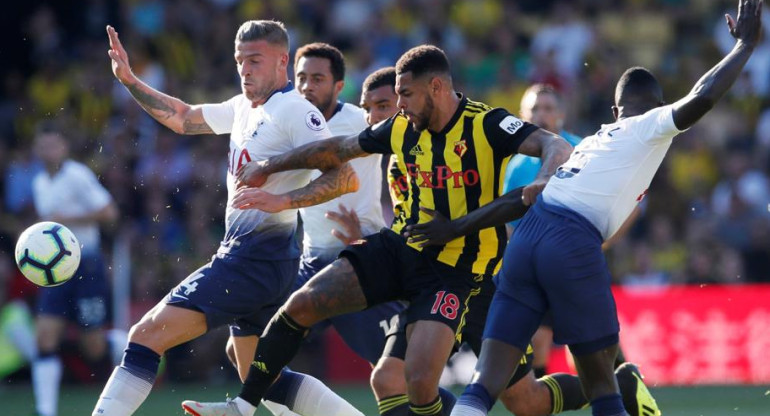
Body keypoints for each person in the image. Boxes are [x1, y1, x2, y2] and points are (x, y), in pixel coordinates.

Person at [188, 44, 573, 416]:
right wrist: (269, 166)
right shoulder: (401, 129)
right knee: (306, 309)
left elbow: (554, 145)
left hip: (461, 271)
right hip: (402, 250)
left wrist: (541, 180)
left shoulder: (485, 123)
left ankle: (610, 386)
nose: (399, 104)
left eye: (405, 94)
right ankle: (242, 407)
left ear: (436, 88)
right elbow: (337, 150)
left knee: (517, 400)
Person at [449, 1, 763, 415]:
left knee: (485, 380)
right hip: (571, 238)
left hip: (527, 235)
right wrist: (743, 46)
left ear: (615, 110)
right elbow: (701, 98)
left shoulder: (597, 137)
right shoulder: (646, 127)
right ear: (654, 108)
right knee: (605, 386)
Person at [94, 20, 361, 416]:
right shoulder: (242, 108)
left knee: (146, 335)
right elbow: (183, 118)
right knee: (257, 371)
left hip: (254, 260)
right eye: (240, 61)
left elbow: (344, 176)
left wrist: (284, 201)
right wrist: (131, 81)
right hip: (261, 260)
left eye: (255, 60)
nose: (245, 69)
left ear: (282, 61)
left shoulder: (294, 111)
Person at [248, 42, 403, 416]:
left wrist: (375, 234)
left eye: (317, 78)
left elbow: (410, 160)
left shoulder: (360, 121)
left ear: (338, 86)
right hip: (309, 261)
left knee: (398, 379)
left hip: (360, 259)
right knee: (250, 346)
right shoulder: (288, 124)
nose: (306, 87)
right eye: (301, 78)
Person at [30, 126, 122, 416]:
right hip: (54, 271)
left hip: (86, 265)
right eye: (43, 146)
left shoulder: (77, 175)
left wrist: (66, 219)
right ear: (37, 150)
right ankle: (45, 411)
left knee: (92, 347)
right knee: (45, 337)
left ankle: (127, 343)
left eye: (53, 145)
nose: (49, 151)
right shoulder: (39, 183)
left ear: (64, 148)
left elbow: (109, 212)